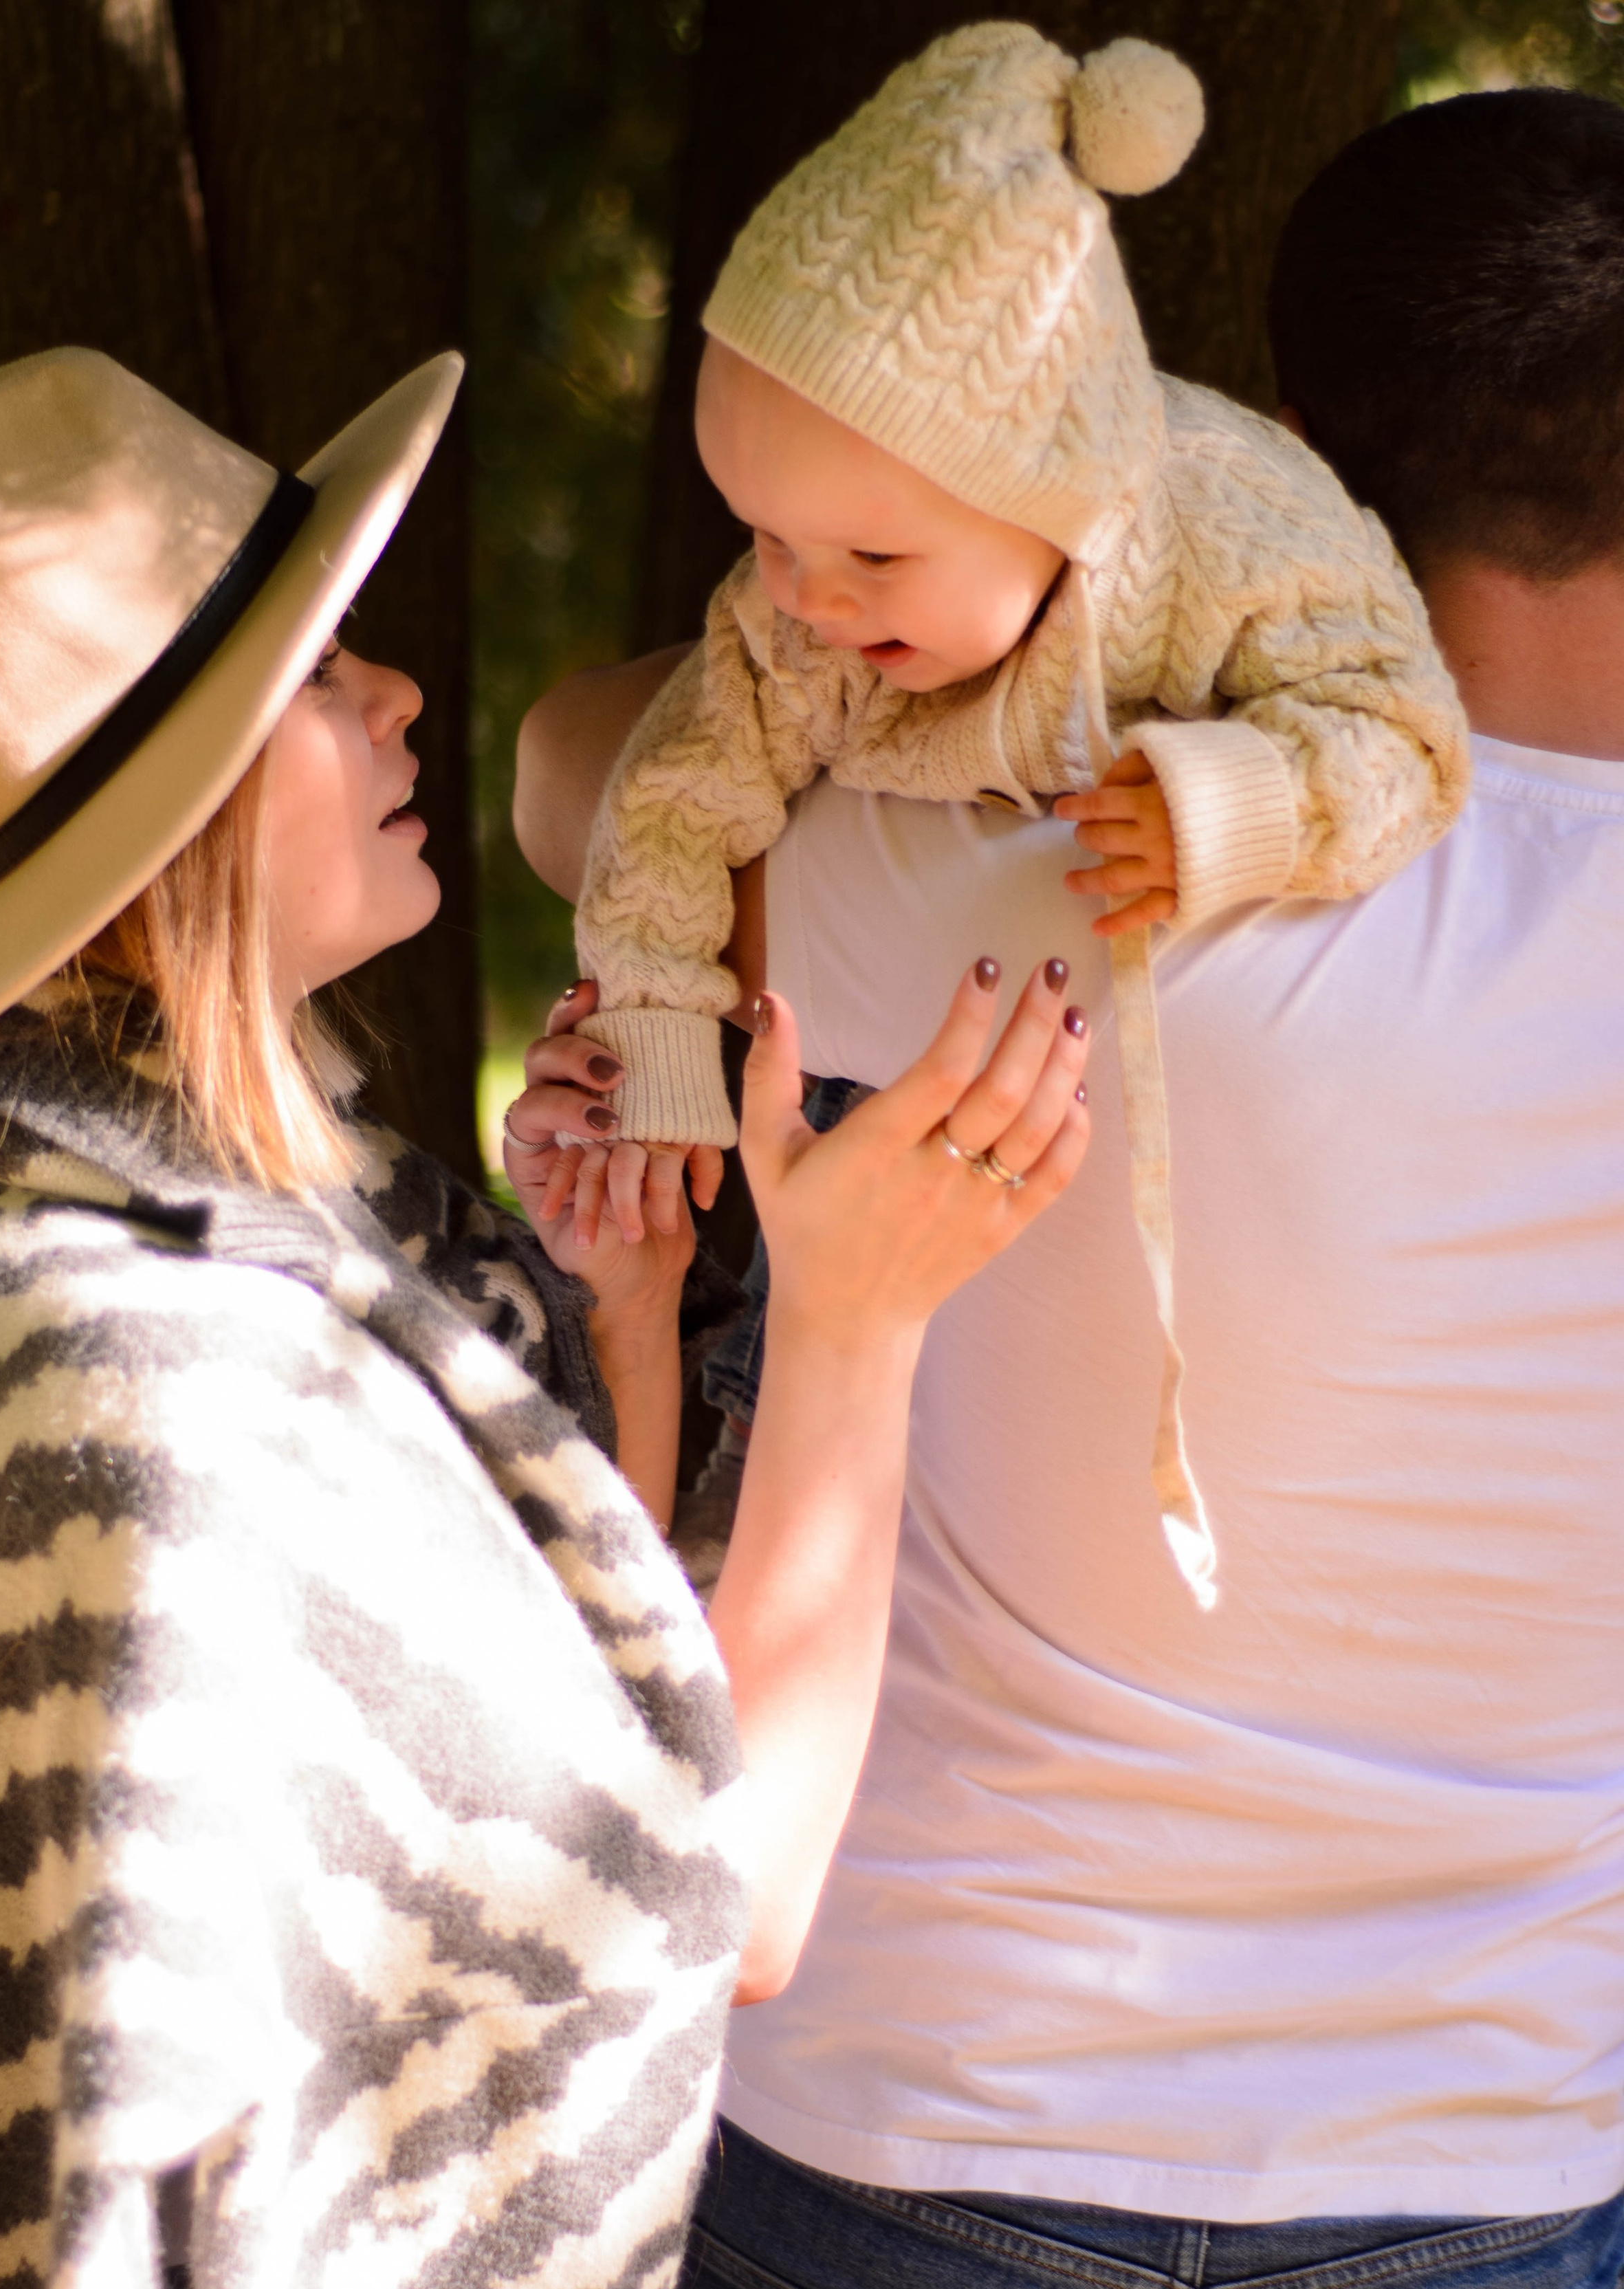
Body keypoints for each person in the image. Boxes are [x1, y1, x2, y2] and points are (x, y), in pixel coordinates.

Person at [512, 83, 1624, 2289]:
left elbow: (596, 766)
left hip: (898, 2180)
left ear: (1279, 455)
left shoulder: (1027, 856)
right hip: (1472, 2246)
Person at [0, 347, 1090, 2289]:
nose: (415, 691)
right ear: (186, 828)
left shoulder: (105, 1217)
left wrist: (622, 1328)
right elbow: (699, 1889)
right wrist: (856, 1318)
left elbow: (503, 1741)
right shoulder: (151, 1365)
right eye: (329, 670)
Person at [565, 19, 1469, 1603]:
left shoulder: (1233, 530)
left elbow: (1403, 730)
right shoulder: (790, 615)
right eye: (762, 538)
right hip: (881, 1067)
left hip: (1191, 1070)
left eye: (867, 561)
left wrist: (1227, 806)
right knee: (828, 1386)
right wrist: (655, 1048)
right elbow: (668, 804)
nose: (803, 598)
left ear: (1048, 488)